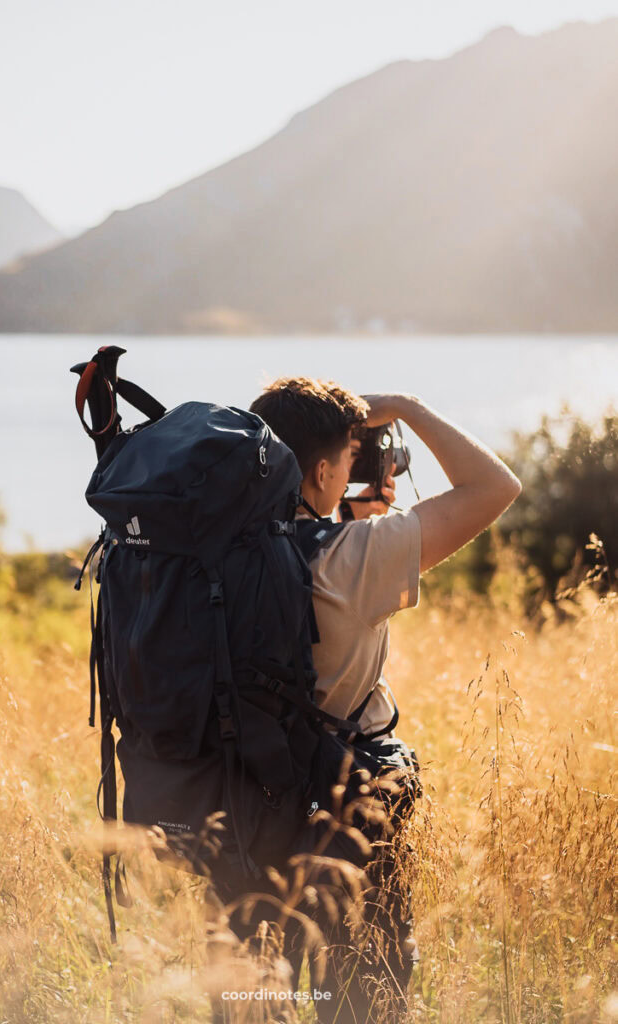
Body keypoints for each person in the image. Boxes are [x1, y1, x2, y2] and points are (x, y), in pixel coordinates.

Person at [241, 377, 522, 1022]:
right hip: (344, 806)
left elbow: (297, 554)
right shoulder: (350, 559)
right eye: (349, 457)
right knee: (366, 993)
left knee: (256, 992)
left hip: (244, 803)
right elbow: (495, 488)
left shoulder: (226, 555)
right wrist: (406, 406)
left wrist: (344, 518)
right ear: (318, 469)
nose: (358, 467)